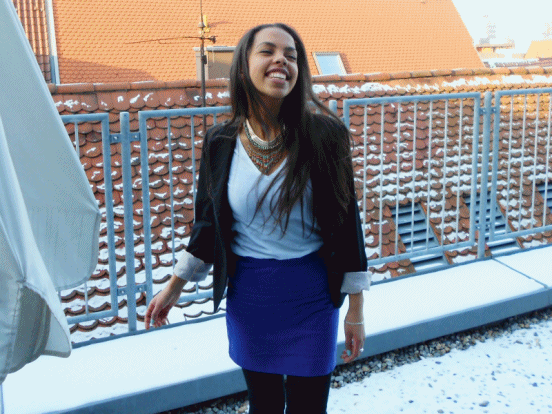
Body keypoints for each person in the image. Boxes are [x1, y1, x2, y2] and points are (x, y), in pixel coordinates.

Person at [144, 23, 371, 414]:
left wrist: (356, 310)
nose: (281, 60)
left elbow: (348, 224)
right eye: (267, 51)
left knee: (308, 408)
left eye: (291, 55)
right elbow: (208, 226)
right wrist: (173, 288)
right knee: (263, 405)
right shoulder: (220, 142)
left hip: (312, 298)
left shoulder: (326, 136)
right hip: (251, 298)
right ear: (243, 66)